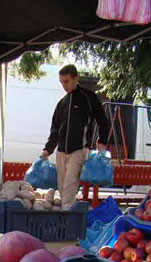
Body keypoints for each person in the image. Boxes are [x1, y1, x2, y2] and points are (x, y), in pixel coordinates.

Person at [41, 64, 108, 210]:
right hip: (61, 151)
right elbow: (55, 129)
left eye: (67, 81)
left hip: (79, 150)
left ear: (75, 79)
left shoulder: (88, 97)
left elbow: (102, 120)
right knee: (62, 189)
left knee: (69, 189)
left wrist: (102, 141)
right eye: (61, 82)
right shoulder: (62, 103)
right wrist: (48, 149)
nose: (64, 86)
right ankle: (64, 218)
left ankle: (66, 223)